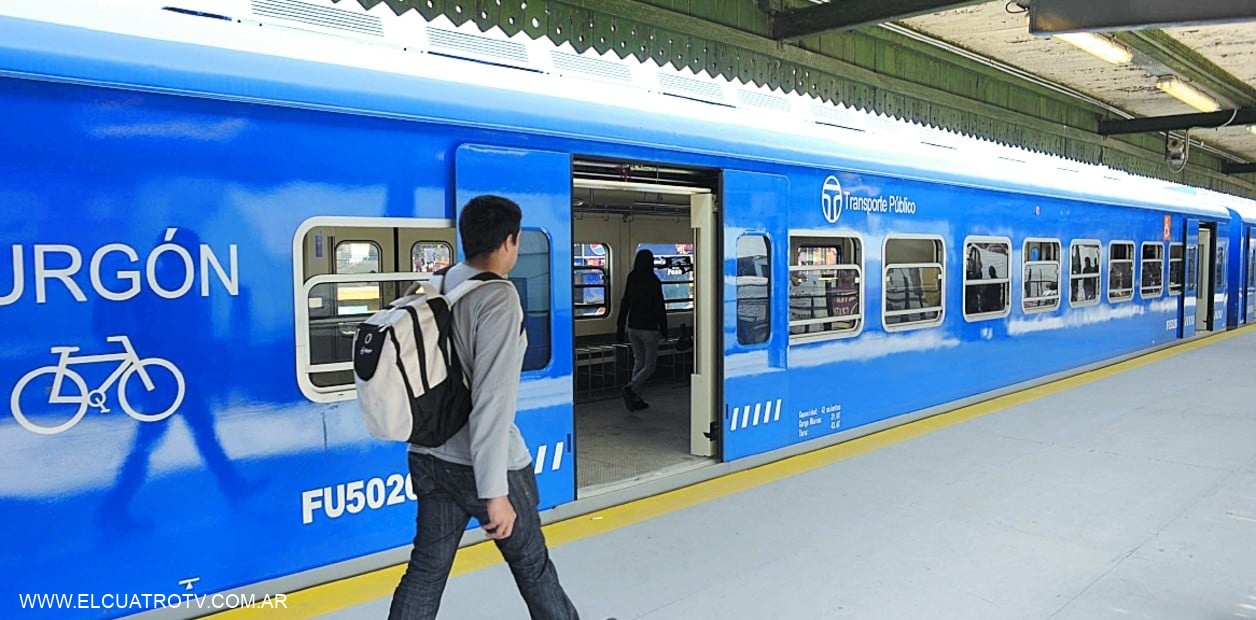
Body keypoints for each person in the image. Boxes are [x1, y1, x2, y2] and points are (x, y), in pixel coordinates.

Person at [389, 195, 579, 620]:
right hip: (485, 466)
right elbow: (493, 402)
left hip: (428, 454)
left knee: (425, 573)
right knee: (533, 567)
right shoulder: (498, 298)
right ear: (509, 241)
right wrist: (495, 493)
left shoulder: (436, 284)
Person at [616, 249, 668, 412]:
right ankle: (632, 388)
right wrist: (664, 328)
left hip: (633, 327)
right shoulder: (654, 281)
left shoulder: (632, 278)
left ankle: (635, 399)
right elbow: (659, 306)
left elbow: (625, 301)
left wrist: (620, 326)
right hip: (649, 329)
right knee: (650, 365)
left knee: (639, 362)